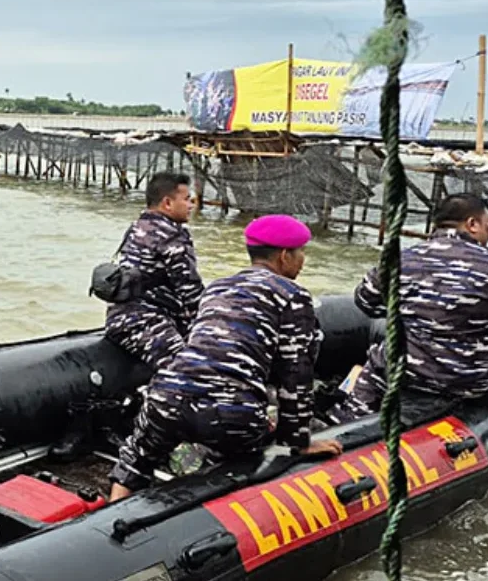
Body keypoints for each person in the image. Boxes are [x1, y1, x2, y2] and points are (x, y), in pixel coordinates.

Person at [109, 214, 342, 501]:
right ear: (284, 256)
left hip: (165, 394)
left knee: (135, 460)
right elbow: (296, 374)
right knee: (241, 457)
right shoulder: (293, 296)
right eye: (301, 252)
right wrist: (299, 442)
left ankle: (110, 517)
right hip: (231, 410)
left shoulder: (217, 288)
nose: (303, 260)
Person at [324, 193, 488, 441]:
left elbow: (366, 302)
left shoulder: (398, 260)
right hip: (476, 380)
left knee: (377, 363)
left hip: (408, 372)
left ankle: (343, 424)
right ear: (472, 224)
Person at [103, 172, 205, 370]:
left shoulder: (137, 227)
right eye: (186, 200)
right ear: (167, 203)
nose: (191, 205)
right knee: (189, 371)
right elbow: (191, 293)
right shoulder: (172, 236)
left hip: (119, 318)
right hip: (145, 322)